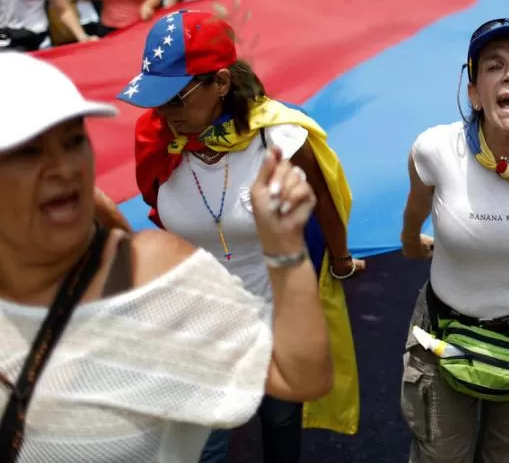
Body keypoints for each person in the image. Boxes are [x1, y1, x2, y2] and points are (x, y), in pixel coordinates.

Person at [0, 52, 333, 461]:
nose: (64, 168)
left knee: (269, 424)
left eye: (73, 141)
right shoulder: (161, 149)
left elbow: (300, 378)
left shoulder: (154, 269)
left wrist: (287, 252)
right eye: (28, 153)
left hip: (249, 316)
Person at [116, 10, 363, 462]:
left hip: (275, 320)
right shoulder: (155, 142)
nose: (164, 113)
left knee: (280, 422)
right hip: (195, 326)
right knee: (202, 446)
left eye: (176, 98)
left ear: (222, 83)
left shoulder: (280, 136)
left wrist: (341, 260)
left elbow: (326, 201)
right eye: (157, 100)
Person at [400, 18, 509, 463]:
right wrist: (409, 242)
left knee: (506, 458)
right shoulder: (435, 150)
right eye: (494, 66)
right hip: (443, 338)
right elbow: (416, 207)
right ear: (475, 92)